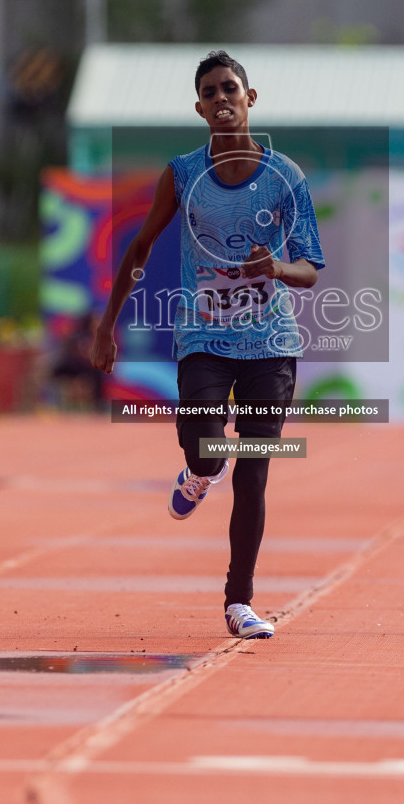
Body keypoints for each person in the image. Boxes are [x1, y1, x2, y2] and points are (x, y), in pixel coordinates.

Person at [91, 50, 324, 640]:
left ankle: (238, 601)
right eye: (211, 92)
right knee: (207, 449)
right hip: (203, 336)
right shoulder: (182, 174)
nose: (222, 98)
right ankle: (198, 471)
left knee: (254, 472)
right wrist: (106, 324)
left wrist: (275, 266)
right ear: (199, 108)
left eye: (231, 89)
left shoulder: (285, 177)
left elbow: (311, 268)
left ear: (251, 99)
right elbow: (141, 246)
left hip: (271, 341)